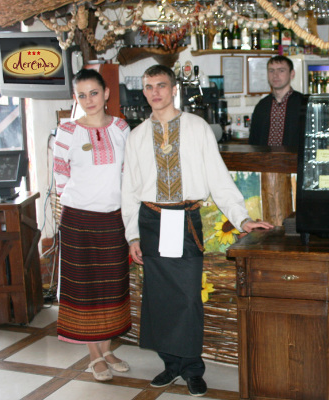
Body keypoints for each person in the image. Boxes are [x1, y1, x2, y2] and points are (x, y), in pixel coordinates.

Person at [122, 64, 273, 397]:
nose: (155, 92)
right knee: (159, 299)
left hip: (186, 221)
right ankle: (170, 365)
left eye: (161, 85)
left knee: (189, 298)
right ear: (143, 92)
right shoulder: (136, 136)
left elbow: (218, 177)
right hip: (151, 221)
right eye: (149, 87)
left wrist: (241, 219)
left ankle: (192, 369)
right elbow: (129, 189)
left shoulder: (197, 127)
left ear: (174, 89)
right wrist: (132, 235)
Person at [53, 68, 131, 382]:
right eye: (82, 95)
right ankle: (94, 355)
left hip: (113, 219)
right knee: (84, 289)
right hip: (78, 220)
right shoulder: (67, 130)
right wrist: (74, 206)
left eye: (94, 93)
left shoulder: (121, 128)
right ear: (76, 98)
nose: (89, 100)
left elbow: (127, 174)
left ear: (106, 93)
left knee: (112, 286)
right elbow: (60, 175)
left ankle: (108, 349)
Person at [248, 55, 307, 149]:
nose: (275, 75)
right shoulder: (262, 105)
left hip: (294, 158)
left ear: (292, 74)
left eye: (281, 70)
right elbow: (253, 141)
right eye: (271, 71)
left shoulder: (304, 103)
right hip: (265, 158)